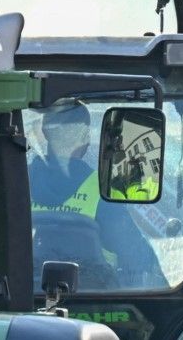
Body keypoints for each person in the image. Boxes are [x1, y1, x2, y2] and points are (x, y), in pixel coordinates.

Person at [28, 98, 162, 287]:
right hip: (90, 300)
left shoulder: (20, 181)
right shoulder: (101, 190)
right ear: (85, 138)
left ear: (45, 132)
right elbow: (134, 253)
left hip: (24, 297)